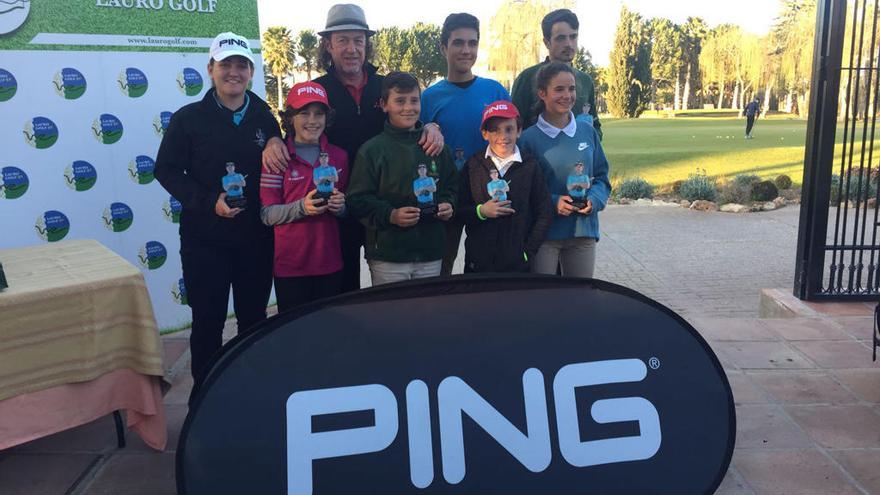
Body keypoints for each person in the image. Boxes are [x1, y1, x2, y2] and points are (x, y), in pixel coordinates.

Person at [261, 3, 445, 292]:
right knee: (343, 291)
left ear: (367, 44)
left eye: (358, 40)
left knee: (389, 293)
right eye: (342, 40)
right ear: (328, 46)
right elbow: (293, 121)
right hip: (337, 207)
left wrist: (431, 126)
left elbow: (410, 118)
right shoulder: (318, 89)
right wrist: (274, 137)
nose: (351, 49)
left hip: (383, 206)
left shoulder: (386, 85)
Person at [154, 32, 279, 390]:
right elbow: (166, 170)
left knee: (254, 319)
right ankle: (205, 397)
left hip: (255, 237)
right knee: (207, 321)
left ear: (251, 73)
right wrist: (209, 201)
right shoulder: (188, 119)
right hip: (204, 240)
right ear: (211, 69)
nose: (234, 73)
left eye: (242, 65)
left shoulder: (265, 117)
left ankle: (252, 389)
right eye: (226, 65)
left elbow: (276, 152)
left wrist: (274, 138)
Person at [347, 72, 458, 285]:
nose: (408, 108)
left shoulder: (436, 147)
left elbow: (452, 186)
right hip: (389, 257)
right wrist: (391, 214)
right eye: (400, 101)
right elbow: (357, 199)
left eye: (414, 100)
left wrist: (448, 204)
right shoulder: (372, 151)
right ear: (384, 104)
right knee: (391, 317)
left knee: (427, 316)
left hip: (430, 253)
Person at [421, 12, 511, 275]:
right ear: (443, 47)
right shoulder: (429, 97)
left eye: (472, 43)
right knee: (441, 269)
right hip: (446, 195)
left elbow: (513, 139)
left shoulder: (494, 91)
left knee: (485, 266)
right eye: (458, 43)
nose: (466, 50)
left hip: (487, 195)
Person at [259, 81, 348, 313]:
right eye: (304, 113)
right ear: (290, 118)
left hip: (329, 263)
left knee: (329, 331)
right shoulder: (276, 157)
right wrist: (302, 207)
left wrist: (340, 207)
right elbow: (267, 214)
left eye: (319, 114)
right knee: (294, 336)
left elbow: (348, 208)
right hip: (290, 266)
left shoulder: (339, 156)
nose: (312, 120)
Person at [520, 62, 611, 278]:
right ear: (542, 93)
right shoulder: (528, 139)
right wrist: (553, 201)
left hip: (582, 231)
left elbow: (601, 177)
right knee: (545, 302)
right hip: (545, 234)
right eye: (559, 89)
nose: (567, 95)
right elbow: (524, 190)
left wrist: (594, 201)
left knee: (579, 301)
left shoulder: (587, 131)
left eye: (571, 89)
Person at [458, 101, 552, 273]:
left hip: (518, 264)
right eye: (495, 130)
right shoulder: (473, 165)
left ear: (519, 131)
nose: (503, 136)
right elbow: (458, 210)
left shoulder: (530, 165)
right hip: (479, 263)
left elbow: (544, 212)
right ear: (484, 133)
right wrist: (481, 211)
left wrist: (527, 251)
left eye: (509, 129)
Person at [511, 9, 601, 137]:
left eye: (573, 36)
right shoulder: (528, 78)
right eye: (561, 38)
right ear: (547, 42)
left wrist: (589, 142)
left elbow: (595, 125)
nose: (569, 44)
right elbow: (513, 125)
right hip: (537, 155)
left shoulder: (585, 80)